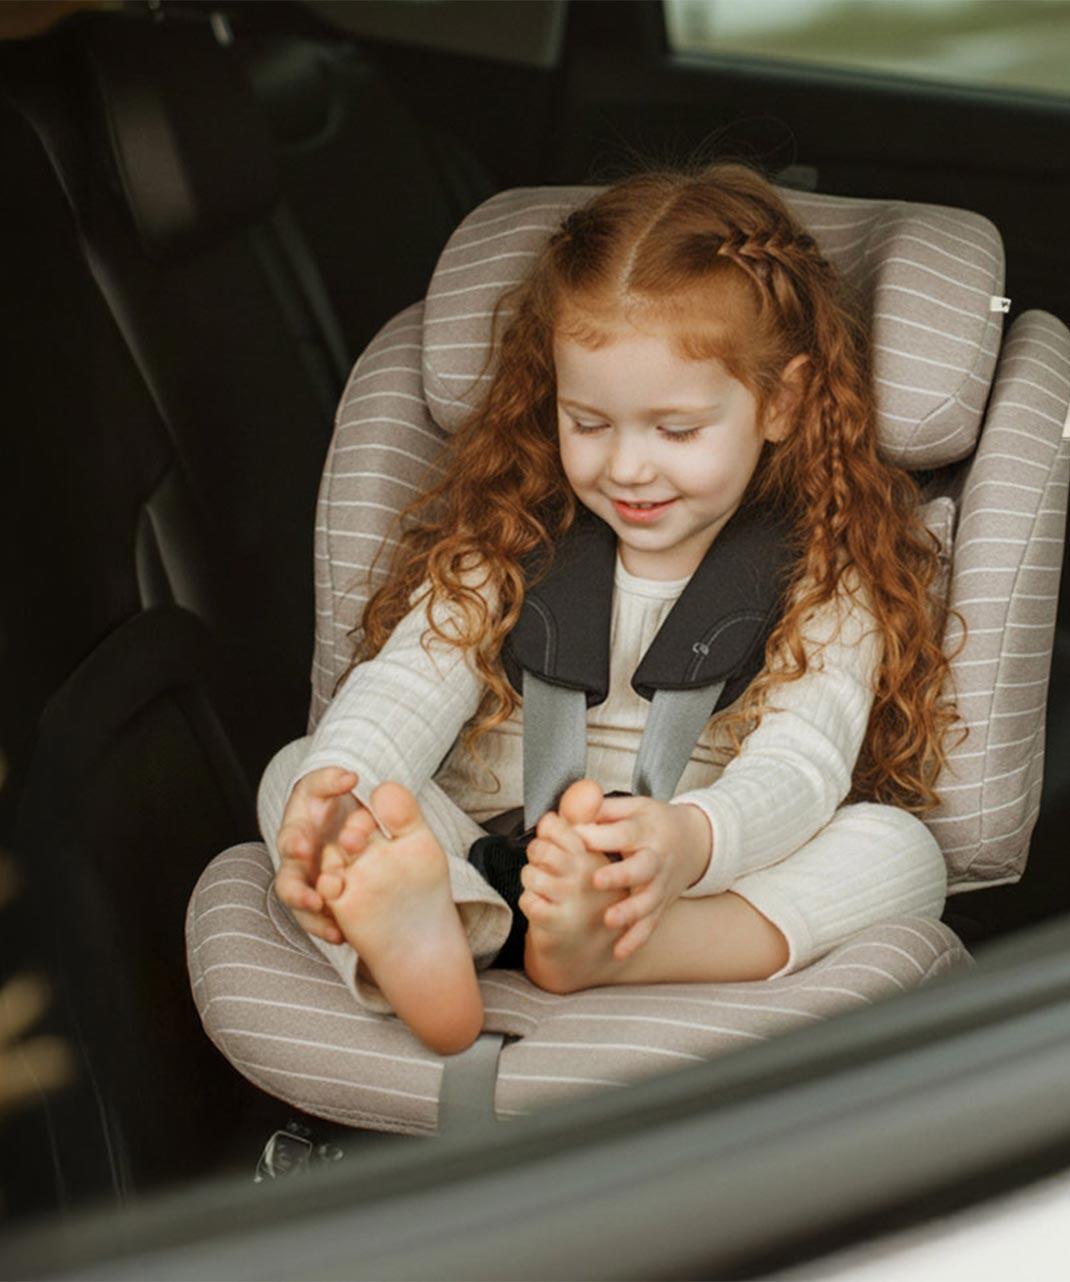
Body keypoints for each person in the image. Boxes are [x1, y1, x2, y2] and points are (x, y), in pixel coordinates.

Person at [259, 164, 960, 1055]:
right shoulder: (509, 535)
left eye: (675, 431)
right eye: (588, 422)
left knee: (898, 850)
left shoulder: (825, 574)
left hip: (677, 877)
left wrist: (690, 843)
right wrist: (345, 798)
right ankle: (436, 922)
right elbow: (408, 684)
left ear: (781, 402)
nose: (627, 468)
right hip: (477, 847)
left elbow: (804, 759)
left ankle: (616, 952)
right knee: (304, 769)